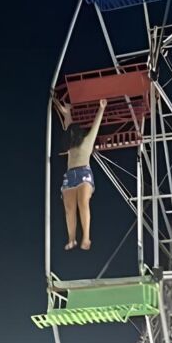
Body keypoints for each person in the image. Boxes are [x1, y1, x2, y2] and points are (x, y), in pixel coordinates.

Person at [56, 98, 107, 251]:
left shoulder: (87, 141)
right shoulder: (71, 146)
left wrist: (101, 108)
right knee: (69, 209)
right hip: (70, 176)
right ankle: (72, 239)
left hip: (84, 173)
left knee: (83, 203)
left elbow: (95, 127)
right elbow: (69, 125)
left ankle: (86, 237)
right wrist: (67, 112)